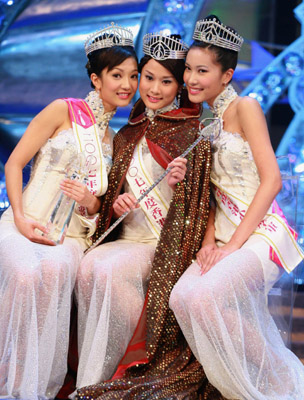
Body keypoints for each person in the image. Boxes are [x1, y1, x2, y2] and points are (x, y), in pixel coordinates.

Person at [75, 33, 222, 399]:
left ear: (180, 85)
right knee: (88, 266)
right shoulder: (127, 132)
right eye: (148, 77)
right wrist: (118, 204)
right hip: (125, 237)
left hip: (162, 245)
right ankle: (94, 373)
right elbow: (111, 199)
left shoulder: (195, 135)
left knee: (108, 270)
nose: (154, 88)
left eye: (166, 80)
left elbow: (201, 207)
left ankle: (100, 379)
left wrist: (180, 184)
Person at [0, 22, 138, 400]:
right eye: (116, 75)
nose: (127, 84)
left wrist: (90, 202)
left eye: (133, 76)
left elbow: (99, 207)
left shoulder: (116, 140)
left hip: (69, 237)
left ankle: (35, 388)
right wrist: (21, 218)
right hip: (23, 222)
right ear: (96, 79)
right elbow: (14, 165)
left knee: (57, 270)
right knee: (27, 273)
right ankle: (10, 379)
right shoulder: (62, 110)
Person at [169, 15, 304, 400]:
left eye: (202, 71)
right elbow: (210, 196)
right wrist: (210, 242)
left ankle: (283, 388)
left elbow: (272, 180)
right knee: (182, 298)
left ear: (226, 75)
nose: (192, 79)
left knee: (207, 297)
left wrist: (233, 246)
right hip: (226, 236)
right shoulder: (208, 124)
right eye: (189, 70)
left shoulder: (245, 107)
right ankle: (245, 387)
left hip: (261, 235)